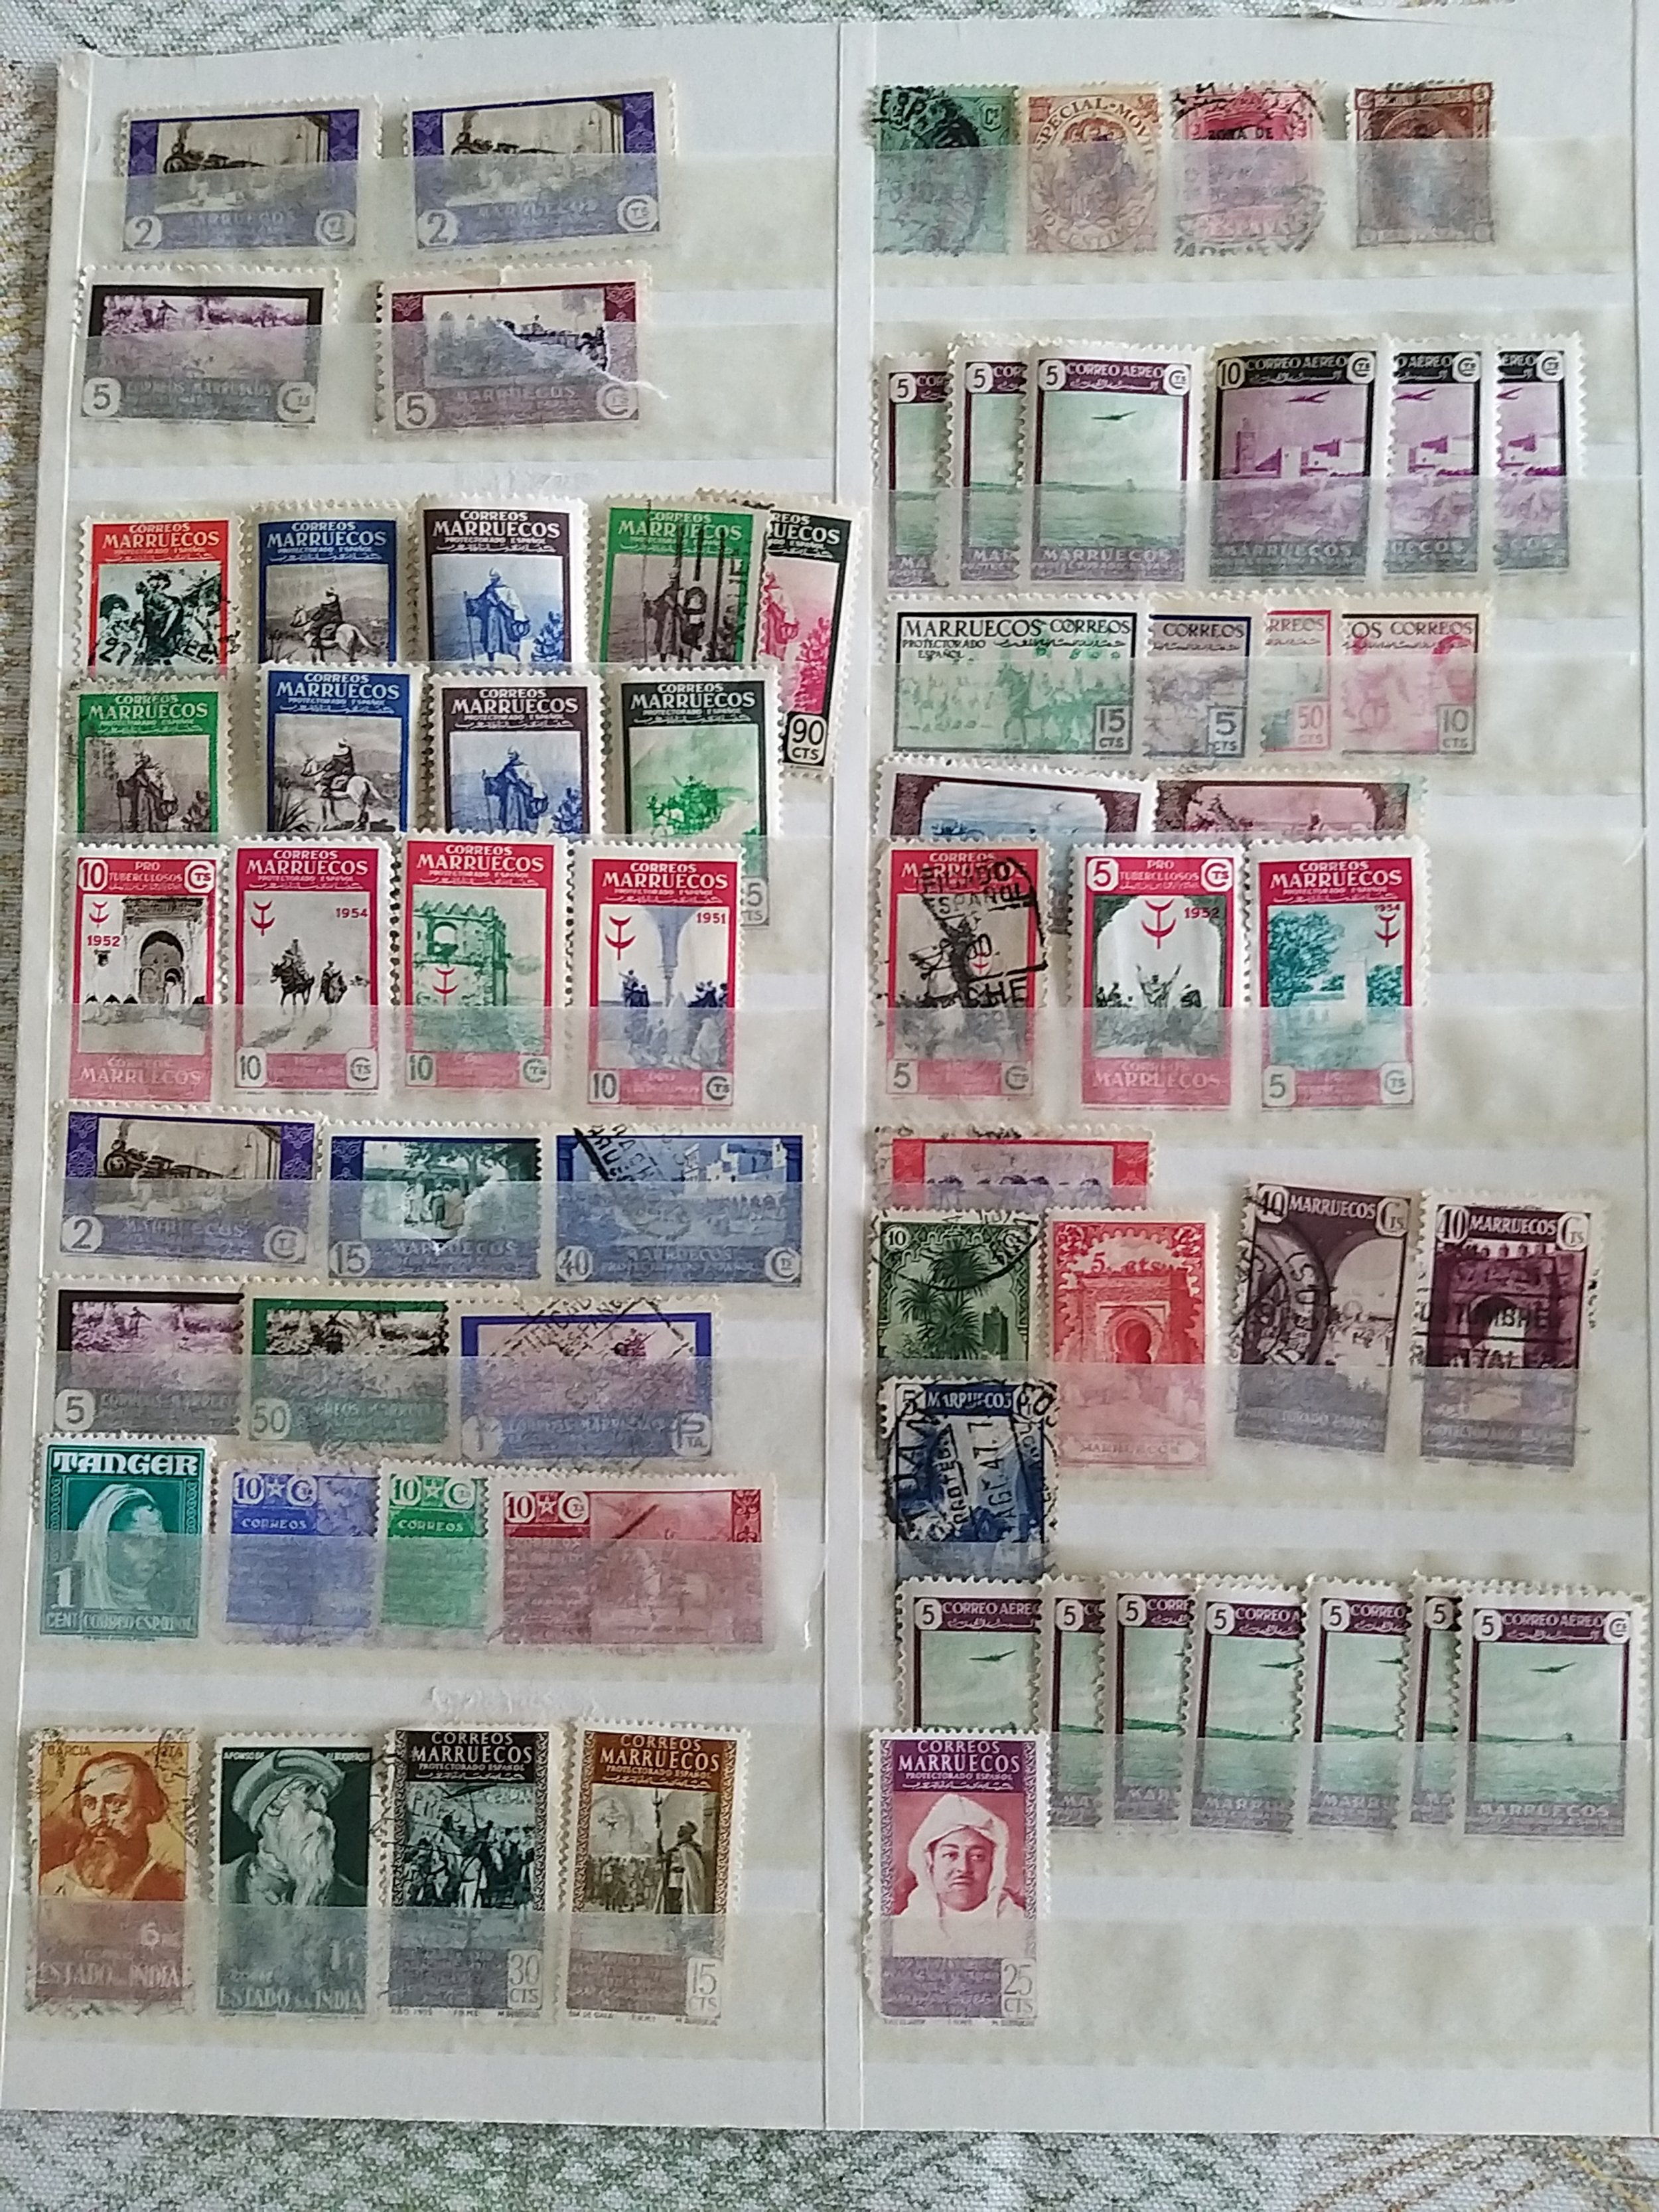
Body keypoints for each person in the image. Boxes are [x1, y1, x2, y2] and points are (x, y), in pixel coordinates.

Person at [221, 1747, 366, 1907]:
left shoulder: (357, 1899)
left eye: (324, 1794)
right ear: (272, 1806)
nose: (322, 1805)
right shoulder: (221, 1882)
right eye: (308, 1790)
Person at [890, 1791, 1027, 1958]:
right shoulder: (903, 1932)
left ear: (994, 1864)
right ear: (930, 1863)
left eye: (977, 1857)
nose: (963, 1868)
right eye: (950, 1855)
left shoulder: (1020, 1927)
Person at [40, 1749, 184, 1901]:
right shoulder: (51, 1886)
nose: (99, 1817)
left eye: (116, 1803)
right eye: (89, 1803)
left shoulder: (175, 1888)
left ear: (149, 1809)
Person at [70, 1481, 169, 1618]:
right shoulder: (70, 1600)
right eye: (136, 1541)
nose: (151, 1554)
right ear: (103, 1542)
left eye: (159, 1542)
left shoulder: (167, 1604)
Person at [659, 1820, 710, 1915]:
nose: (680, 1832)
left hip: (685, 1881)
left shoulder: (692, 1849)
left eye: (683, 1830)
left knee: (684, 1903)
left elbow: (696, 1867)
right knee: (672, 1904)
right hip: (672, 1881)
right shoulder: (674, 1849)